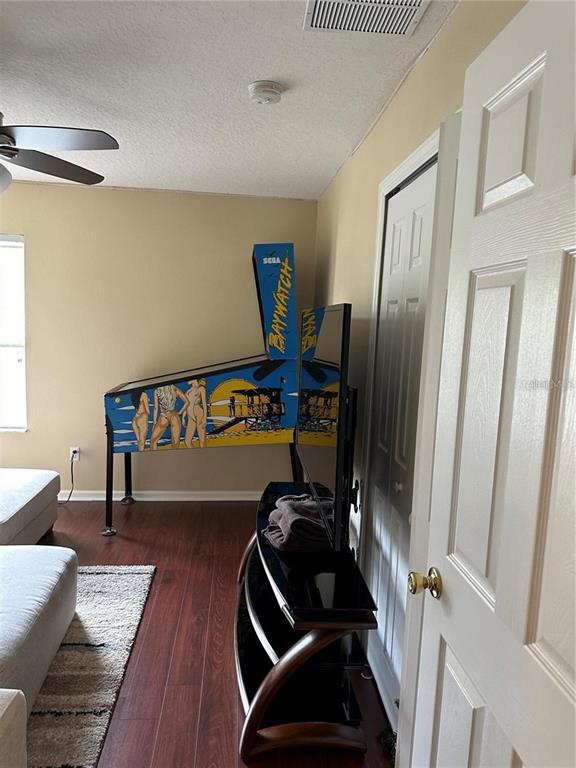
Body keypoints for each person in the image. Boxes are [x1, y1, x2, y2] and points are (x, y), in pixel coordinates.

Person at [150, 383, 189, 449]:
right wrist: (179, 413)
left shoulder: (157, 390)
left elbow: (156, 408)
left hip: (164, 416)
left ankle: (155, 458)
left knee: (153, 441)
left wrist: (154, 422)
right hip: (174, 416)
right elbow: (187, 402)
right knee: (175, 445)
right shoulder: (173, 388)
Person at [184, 378, 208, 448]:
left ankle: (205, 457)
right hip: (190, 414)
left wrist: (204, 418)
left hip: (199, 413)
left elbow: (204, 403)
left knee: (202, 441)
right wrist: (184, 415)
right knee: (187, 441)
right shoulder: (190, 389)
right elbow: (187, 403)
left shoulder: (201, 388)